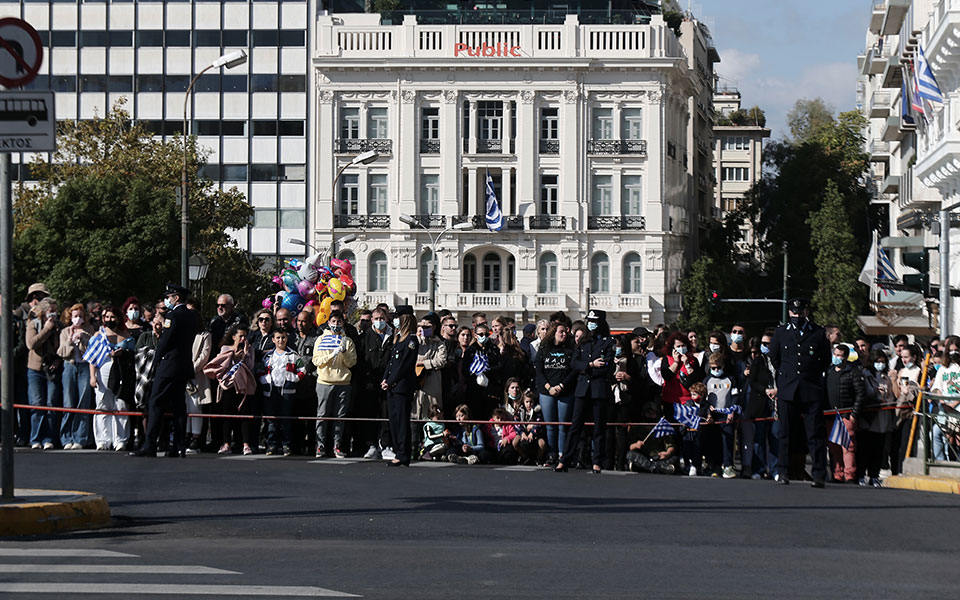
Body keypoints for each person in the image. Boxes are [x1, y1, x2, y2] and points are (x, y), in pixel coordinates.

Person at [768, 298, 830, 487]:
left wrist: (810, 375)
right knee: (785, 432)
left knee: (815, 433)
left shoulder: (818, 333)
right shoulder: (781, 333)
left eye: (800, 312)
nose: (797, 316)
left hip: (810, 388)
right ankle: (783, 471)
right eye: (794, 313)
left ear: (806, 312)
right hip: (788, 389)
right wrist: (786, 378)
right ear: (789, 313)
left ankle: (819, 474)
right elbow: (775, 358)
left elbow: (825, 359)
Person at [132, 284, 195, 458]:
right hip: (183, 365)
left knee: (155, 402)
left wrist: (156, 359)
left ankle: (150, 444)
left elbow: (165, 340)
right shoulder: (191, 316)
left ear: (175, 298)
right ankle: (179, 446)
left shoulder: (172, 315)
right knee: (178, 406)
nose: (167, 300)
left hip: (169, 366)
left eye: (169, 296)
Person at [556, 309, 615, 474]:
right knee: (575, 426)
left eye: (594, 321)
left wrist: (591, 368)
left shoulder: (608, 341)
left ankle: (597, 461)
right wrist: (590, 365)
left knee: (599, 428)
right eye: (589, 320)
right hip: (583, 388)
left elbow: (607, 366)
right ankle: (564, 460)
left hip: (598, 388)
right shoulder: (583, 341)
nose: (591, 324)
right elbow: (574, 363)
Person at [90, 305, 135, 452]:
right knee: (103, 405)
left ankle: (120, 439)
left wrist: (123, 354)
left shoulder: (126, 337)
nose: (110, 320)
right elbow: (92, 358)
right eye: (107, 317)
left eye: (113, 317)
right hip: (103, 372)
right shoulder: (98, 335)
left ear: (118, 318)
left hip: (120, 373)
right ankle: (103, 440)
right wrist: (92, 376)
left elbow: (132, 356)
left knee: (120, 405)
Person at [313, 310, 357, 458]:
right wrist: (331, 354)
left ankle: (336, 446)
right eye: (333, 322)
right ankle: (320, 446)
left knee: (340, 417)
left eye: (339, 322)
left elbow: (352, 363)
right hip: (324, 382)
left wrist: (343, 352)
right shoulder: (320, 340)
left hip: (343, 382)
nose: (336, 325)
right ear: (329, 323)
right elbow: (316, 361)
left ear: (343, 323)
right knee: (322, 415)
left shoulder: (348, 341)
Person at [207, 324, 257, 455]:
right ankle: (226, 443)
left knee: (244, 415)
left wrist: (245, 354)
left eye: (245, 336)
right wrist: (233, 357)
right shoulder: (225, 348)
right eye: (240, 336)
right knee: (227, 415)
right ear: (233, 336)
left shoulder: (250, 349)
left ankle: (245, 444)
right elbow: (221, 366)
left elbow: (250, 367)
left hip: (243, 386)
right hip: (228, 385)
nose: (242, 339)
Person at [535, 321, 577, 465]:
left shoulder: (570, 349)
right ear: (554, 333)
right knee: (550, 425)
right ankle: (552, 454)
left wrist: (561, 385)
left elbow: (573, 371)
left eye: (565, 332)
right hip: (547, 391)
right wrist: (549, 387)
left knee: (562, 425)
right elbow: (539, 371)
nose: (564, 334)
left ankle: (562, 455)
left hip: (565, 391)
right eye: (561, 332)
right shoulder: (544, 348)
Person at [381, 306, 419, 466]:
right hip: (392, 386)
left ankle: (403, 454)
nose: (395, 319)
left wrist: (391, 381)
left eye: (398, 317)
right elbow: (391, 363)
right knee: (394, 420)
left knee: (402, 421)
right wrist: (385, 379)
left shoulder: (411, 340)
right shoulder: (398, 339)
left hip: (402, 386)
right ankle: (398, 451)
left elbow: (404, 365)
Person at [25, 296, 63, 450]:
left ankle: (49, 438)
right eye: (51, 311)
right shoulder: (33, 324)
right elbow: (31, 344)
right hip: (35, 370)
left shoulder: (60, 326)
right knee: (37, 404)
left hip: (52, 369)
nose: (53, 314)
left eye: (55, 311)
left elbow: (62, 347)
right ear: (43, 311)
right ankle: (35, 438)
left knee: (51, 403)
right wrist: (47, 329)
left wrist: (57, 361)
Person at [356, 307, 393, 459]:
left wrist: (389, 379)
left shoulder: (394, 336)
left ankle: (386, 445)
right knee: (370, 414)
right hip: (370, 383)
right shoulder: (364, 337)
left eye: (382, 318)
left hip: (387, 383)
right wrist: (367, 379)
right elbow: (360, 361)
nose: (379, 321)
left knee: (386, 415)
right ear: (372, 320)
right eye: (376, 318)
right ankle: (371, 445)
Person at [825, 344, 865, 483]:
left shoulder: (853, 372)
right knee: (834, 447)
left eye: (840, 355)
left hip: (846, 415)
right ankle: (837, 474)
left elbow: (860, 394)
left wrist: (854, 414)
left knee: (848, 447)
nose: (836, 357)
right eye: (835, 354)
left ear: (846, 357)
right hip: (830, 416)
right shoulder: (829, 371)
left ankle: (850, 475)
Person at [262, 329, 305, 456]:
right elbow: (260, 370)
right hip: (271, 392)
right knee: (271, 420)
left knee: (286, 419)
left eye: (283, 338)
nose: (281, 340)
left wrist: (295, 378)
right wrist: (264, 379)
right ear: (273, 340)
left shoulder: (293, 355)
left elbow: (302, 369)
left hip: (287, 392)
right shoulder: (268, 356)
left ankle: (286, 445)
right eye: (278, 338)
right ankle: (271, 445)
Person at [57, 303, 94, 449]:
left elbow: (92, 350)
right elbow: (61, 353)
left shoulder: (89, 330)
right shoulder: (65, 331)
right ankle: (66, 438)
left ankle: (80, 437)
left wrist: (84, 339)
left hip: (85, 366)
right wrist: (70, 340)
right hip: (70, 366)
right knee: (68, 402)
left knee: (83, 402)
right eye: (75, 316)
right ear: (70, 317)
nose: (78, 319)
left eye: (80, 316)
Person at [859, 349, 898, 487]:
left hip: (882, 419)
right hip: (869, 419)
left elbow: (890, 397)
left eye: (882, 362)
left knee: (878, 450)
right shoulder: (866, 375)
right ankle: (861, 475)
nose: (880, 364)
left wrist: (885, 401)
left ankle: (874, 475)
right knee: (865, 450)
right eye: (877, 362)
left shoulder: (886, 378)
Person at [743, 333, 778, 480]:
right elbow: (753, 381)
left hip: (776, 404)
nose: (765, 346)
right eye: (763, 343)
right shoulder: (757, 361)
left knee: (775, 437)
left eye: (768, 343)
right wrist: (765, 390)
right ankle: (759, 469)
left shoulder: (781, 361)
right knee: (759, 438)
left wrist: (778, 390)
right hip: (761, 404)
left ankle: (775, 470)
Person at [412, 313, 447, 455]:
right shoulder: (414, 341)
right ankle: (413, 448)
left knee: (432, 415)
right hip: (416, 384)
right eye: (421, 326)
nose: (424, 329)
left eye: (427, 327)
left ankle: (430, 449)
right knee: (415, 416)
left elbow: (441, 361)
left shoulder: (439, 343)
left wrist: (424, 363)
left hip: (432, 384)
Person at [702, 351, 740, 478]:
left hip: (726, 415)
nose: (716, 370)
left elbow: (735, 397)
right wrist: (708, 413)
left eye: (718, 367)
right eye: (713, 368)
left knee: (728, 440)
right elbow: (704, 400)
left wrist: (731, 412)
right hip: (713, 415)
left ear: (723, 366)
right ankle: (715, 466)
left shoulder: (730, 379)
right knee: (714, 441)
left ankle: (728, 466)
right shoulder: (707, 380)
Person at [185, 298, 212, 454]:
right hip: (182, 375)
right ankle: (186, 435)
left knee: (196, 406)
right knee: (185, 406)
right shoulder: (182, 333)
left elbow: (204, 355)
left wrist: (191, 369)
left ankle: (196, 438)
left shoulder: (205, 335)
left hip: (196, 375)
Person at [625, 402, 679, 474]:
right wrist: (636, 445)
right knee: (630, 454)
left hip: (658, 457)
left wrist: (667, 453)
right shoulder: (637, 428)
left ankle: (648, 468)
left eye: (652, 413)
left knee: (675, 458)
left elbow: (671, 446)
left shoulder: (661, 427)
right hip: (644, 457)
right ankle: (658, 468)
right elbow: (630, 447)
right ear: (643, 414)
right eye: (648, 413)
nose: (650, 416)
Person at [929, 338, 960, 462]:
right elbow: (937, 387)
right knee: (936, 434)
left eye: (956, 350)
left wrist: (953, 404)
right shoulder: (943, 369)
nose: (953, 353)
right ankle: (942, 461)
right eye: (951, 350)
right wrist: (942, 400)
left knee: (957, 437)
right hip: (945, 407)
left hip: (957, 406)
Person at [293, 311, 319, 455]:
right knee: (296, 420)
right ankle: (297, 447)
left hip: (310, 385)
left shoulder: (316, 339)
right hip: (295, 386)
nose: (300, 324)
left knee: (311, 420)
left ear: (310, 323)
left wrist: (311, 375)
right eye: (298, 321)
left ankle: (311, 447)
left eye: (304, 322)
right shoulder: (292, 338)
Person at [463, 322, 500, 418]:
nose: (484, 336)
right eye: (481, 334)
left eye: (486, 334)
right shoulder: (470, 351)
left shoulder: (493, 349)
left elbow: (499, 365)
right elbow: (465, 370)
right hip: (474, 390)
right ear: (475, 335)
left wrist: (487, 370)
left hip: (490, 389)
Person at [514, 391, 546, 465]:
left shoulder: (537, 411)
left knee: (542, 444)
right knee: (515, 442)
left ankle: (538, 458)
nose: (529, 404)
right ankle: (523, 456)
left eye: (531, 402)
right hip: (522, 431)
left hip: (535, 432)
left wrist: (532, 432)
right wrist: (522, 433)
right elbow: (516, 423)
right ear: (523, 402)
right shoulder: (520, 411)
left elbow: (539, 423)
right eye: (527, 402)